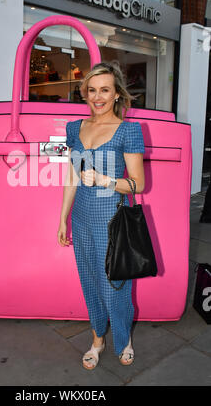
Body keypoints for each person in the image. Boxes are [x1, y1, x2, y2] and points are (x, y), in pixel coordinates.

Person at [57, 61, 145, 369]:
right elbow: (71, 177)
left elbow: (138, 183)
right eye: (91, 90)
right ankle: (97, 339)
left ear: (117, 94)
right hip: (81, 217)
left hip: (112, 219)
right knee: (90, 281)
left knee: (115, 285)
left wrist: (106, 180)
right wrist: (62, 218)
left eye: (105, 90)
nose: (97, 97)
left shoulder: (128, 130)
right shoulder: (74, 128)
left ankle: (123, 339)